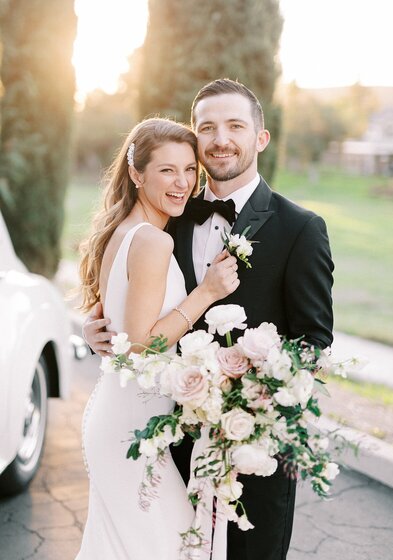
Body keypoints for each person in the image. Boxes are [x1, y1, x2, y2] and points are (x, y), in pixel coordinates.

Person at [84, 79, 334, 560]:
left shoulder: (300, 228)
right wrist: (94, 329)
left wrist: (247, 400)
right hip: (166, 443)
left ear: (260, 138)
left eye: (235, 126)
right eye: (208, 128)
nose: (221, 139)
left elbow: (313, 346)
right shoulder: (169, 213)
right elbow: (126, 307)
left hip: (248, 452)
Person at [75, 117, 239, 560]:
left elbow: (113, 324)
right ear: (136, 173)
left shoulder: (123, 230)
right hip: (130, 430)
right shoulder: (152, 242)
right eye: (167, 170)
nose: (182, 182)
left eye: (190, 170)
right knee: (173, 549)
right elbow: (140, 347)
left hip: (122, 421)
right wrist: (206, 292)